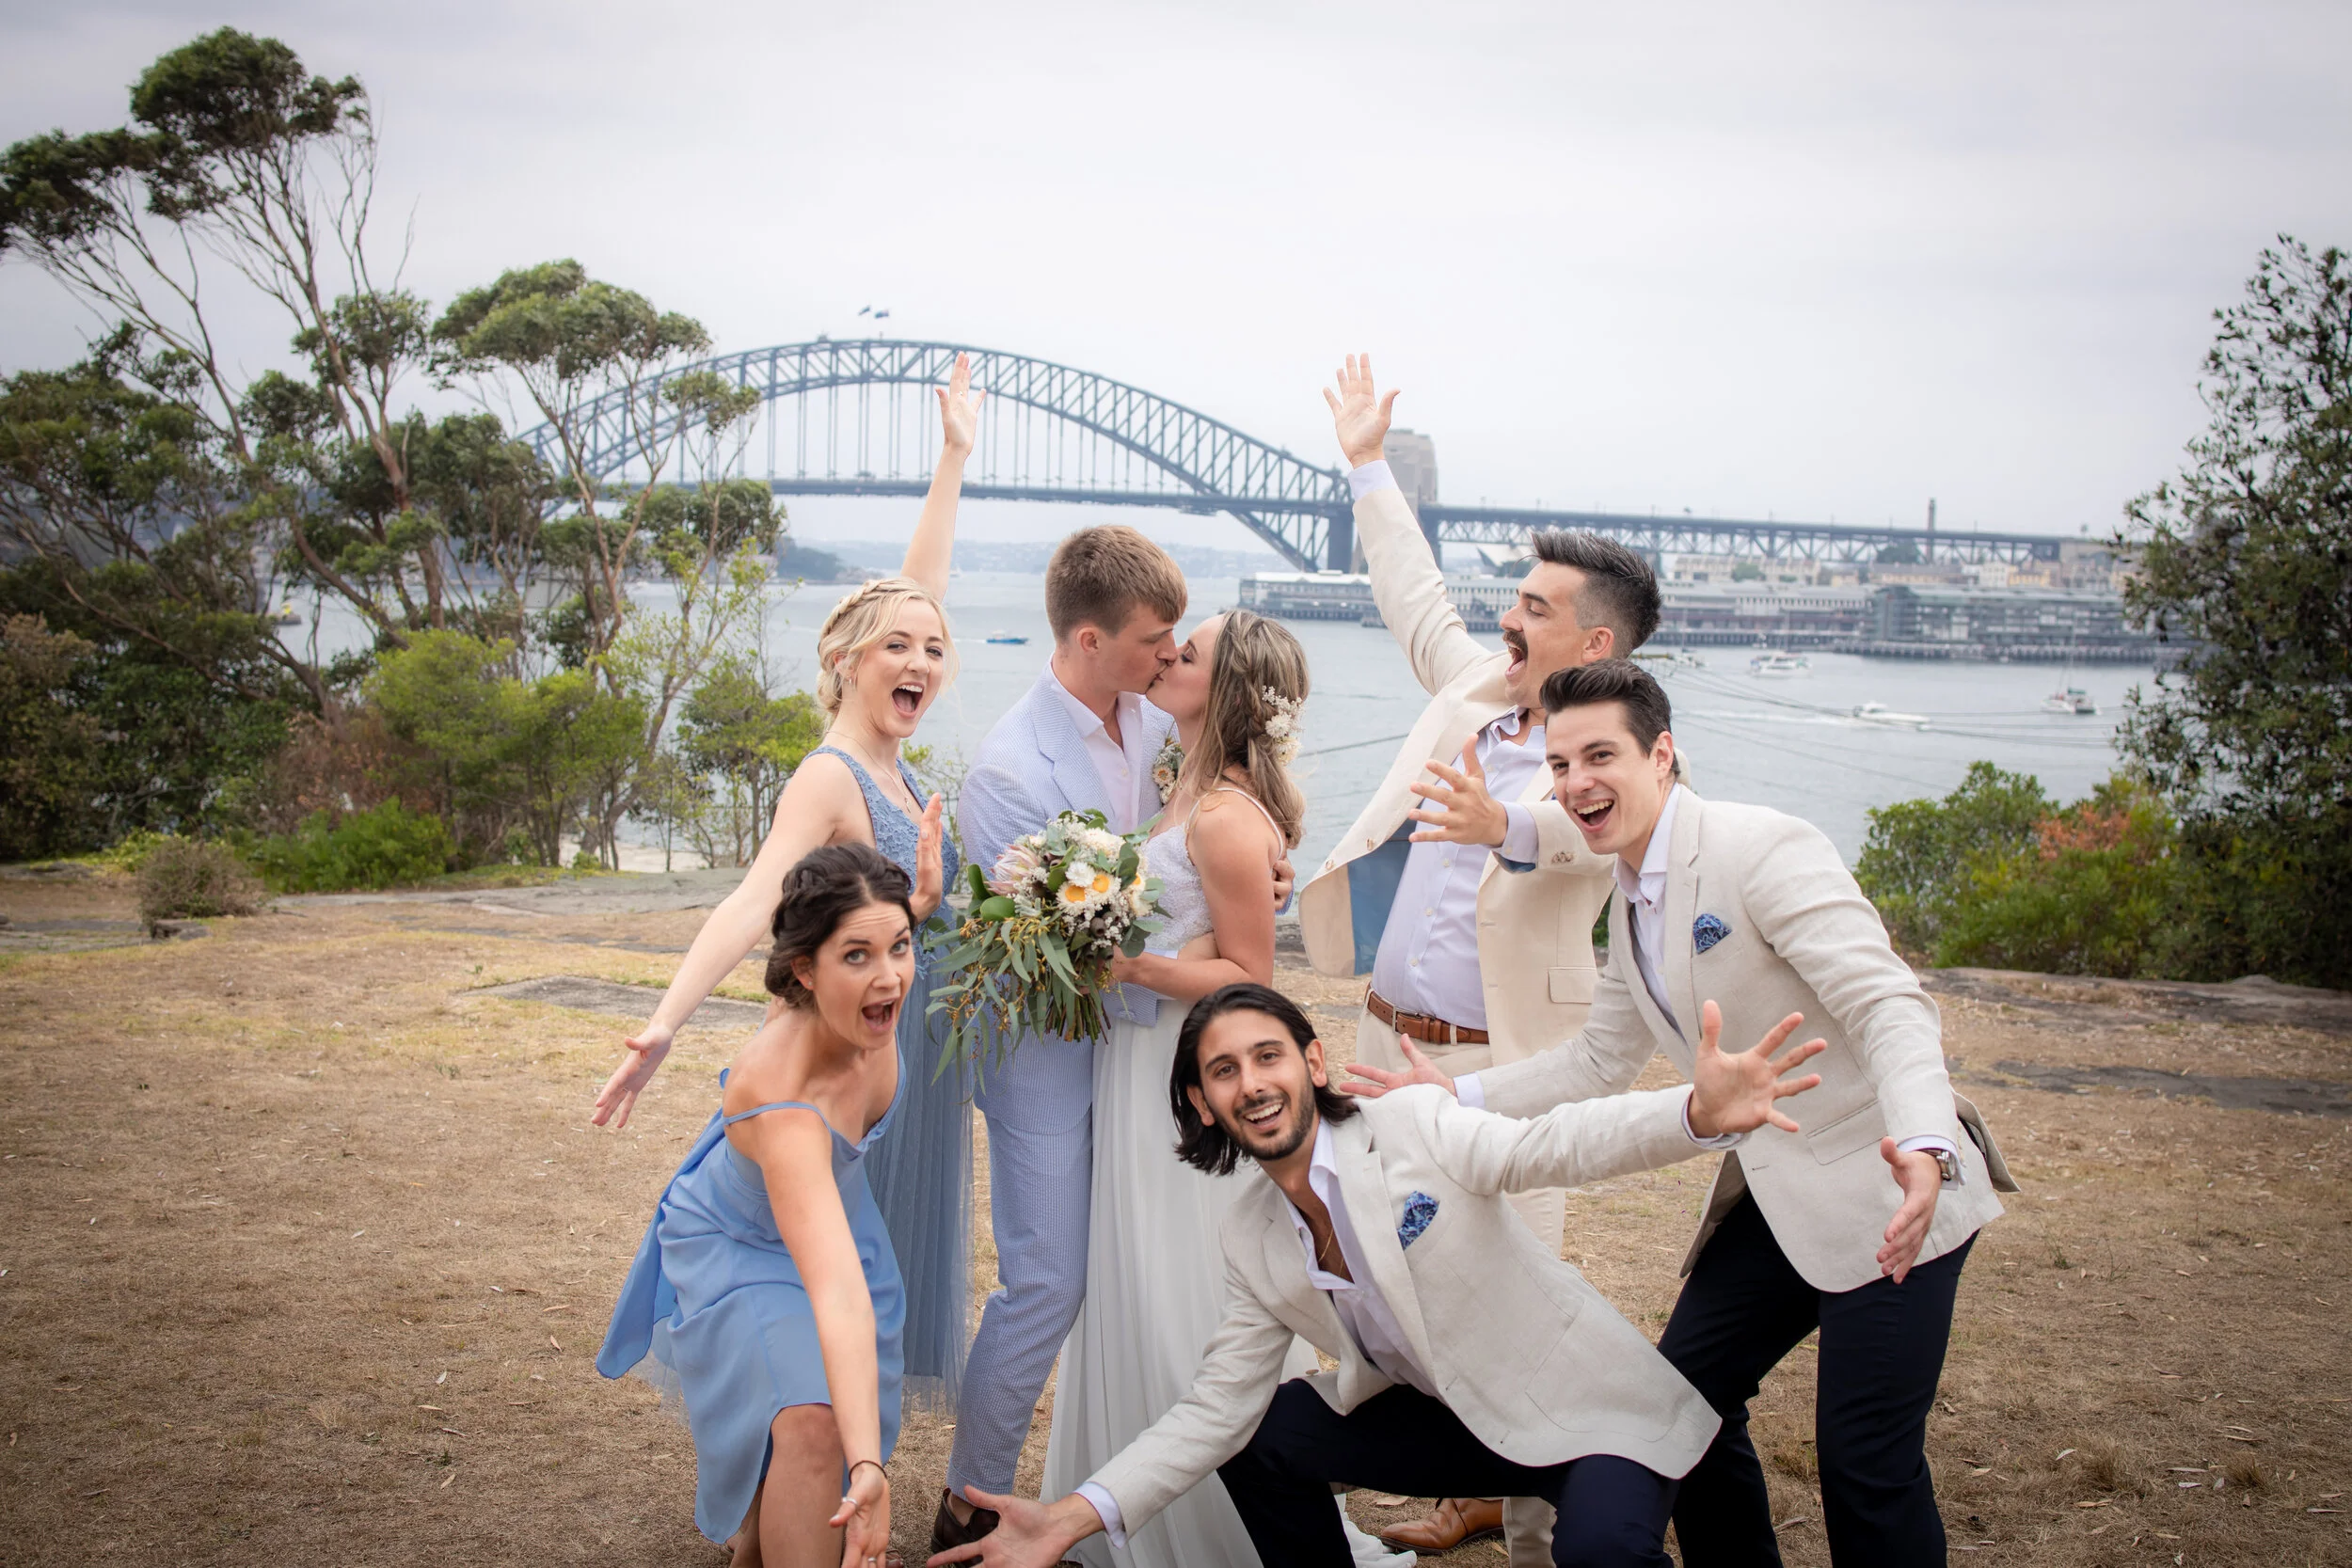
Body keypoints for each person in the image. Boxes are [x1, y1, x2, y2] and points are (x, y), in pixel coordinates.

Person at [1347, 659, 2018, 1567]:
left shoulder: (1761, 847)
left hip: (1894, 1191)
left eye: (1600, 755)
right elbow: (1595, 1060)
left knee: (1864, 1460)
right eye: (1559, 764)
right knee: (1683, 1406)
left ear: (1662, 755)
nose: (1576, 782)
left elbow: (1888, 1004)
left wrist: (1927, 1143)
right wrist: (1454, 1094)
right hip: (1781, 1197)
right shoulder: (1629, 899)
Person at [928, 981, 1829, 1568]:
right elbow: (1216, 1408)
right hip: (1451, 1422)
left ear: (1312, 1063)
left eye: (1268, 1055)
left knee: (1601, 1551)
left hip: (1578, 1411)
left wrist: (1694, 1113)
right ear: (1204, 1104)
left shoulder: (1413, 1130)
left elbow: (1548, 1146)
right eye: (1224, 1071)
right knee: (1263, 1431)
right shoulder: (1249, 1232)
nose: (1252, 1083)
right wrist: (1071, 1516)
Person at [1296, 355, 1666, 1562]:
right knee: (1361, 1268)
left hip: (1507, 1064)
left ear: (1593, 638)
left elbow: (1601, 828)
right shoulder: (1472, 690)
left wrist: (1505, 822)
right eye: (1512, 598)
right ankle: (1406, 1481)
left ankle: (1536, 1525)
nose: (1509, 615)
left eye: (1535, 605)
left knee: (1516, 1311)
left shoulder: (1614, 751)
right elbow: (1414, 595)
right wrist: (1364, 462)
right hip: (1384, 1035)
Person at [594, 353, 979, 1417]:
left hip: (909, 1050)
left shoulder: (894, 762)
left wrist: (951, 459)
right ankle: (803, 1463)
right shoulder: (831, 774)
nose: (922, 659)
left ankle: (836, 1462)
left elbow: (919, 592)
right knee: (833, 1271)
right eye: (897, 646)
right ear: (850, 660)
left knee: (877, 1271)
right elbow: (754, 900)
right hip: (855, 1053)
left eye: (934, 650)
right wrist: (666, 1022)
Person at [939, 528, 1297, 1556]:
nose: (1168, 652)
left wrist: (1258, 878)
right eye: (1153, 639)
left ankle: (1160, 1480)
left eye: (1181, 640)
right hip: (1054, 1053)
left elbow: (1216, 849)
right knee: (1049, 1278)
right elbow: (1044, 944)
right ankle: (970, 1501)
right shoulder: (1006, 769)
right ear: (1090, 638)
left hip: (1155, 1051)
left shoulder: (1155, 717)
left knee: (1154, 1263)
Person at [1039, 610, 1398, 1568]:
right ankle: (1124, 1492)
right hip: (1135, 1062)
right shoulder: (1180, 781)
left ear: (1226, 688)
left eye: (1185, 654)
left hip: (1184, 1068)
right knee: (1133, 1267)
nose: (1165, 659)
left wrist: (1135, 967)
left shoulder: (1227, 814)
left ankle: (1208, 1523)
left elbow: (1251, 976)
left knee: (1185, 1277)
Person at [597, 844, 924, 1568]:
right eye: (858, 955)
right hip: (737, 1240)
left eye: (900, 946)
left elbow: (878, 935)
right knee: (814, 1423)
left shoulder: (871, 990)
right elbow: (837, 1294)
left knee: (833, 1429)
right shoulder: (784, 1097)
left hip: (834, 1218)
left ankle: (760, 1544)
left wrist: (915, 905)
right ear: (805, 970)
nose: (890, 975)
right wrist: (870, 1469)